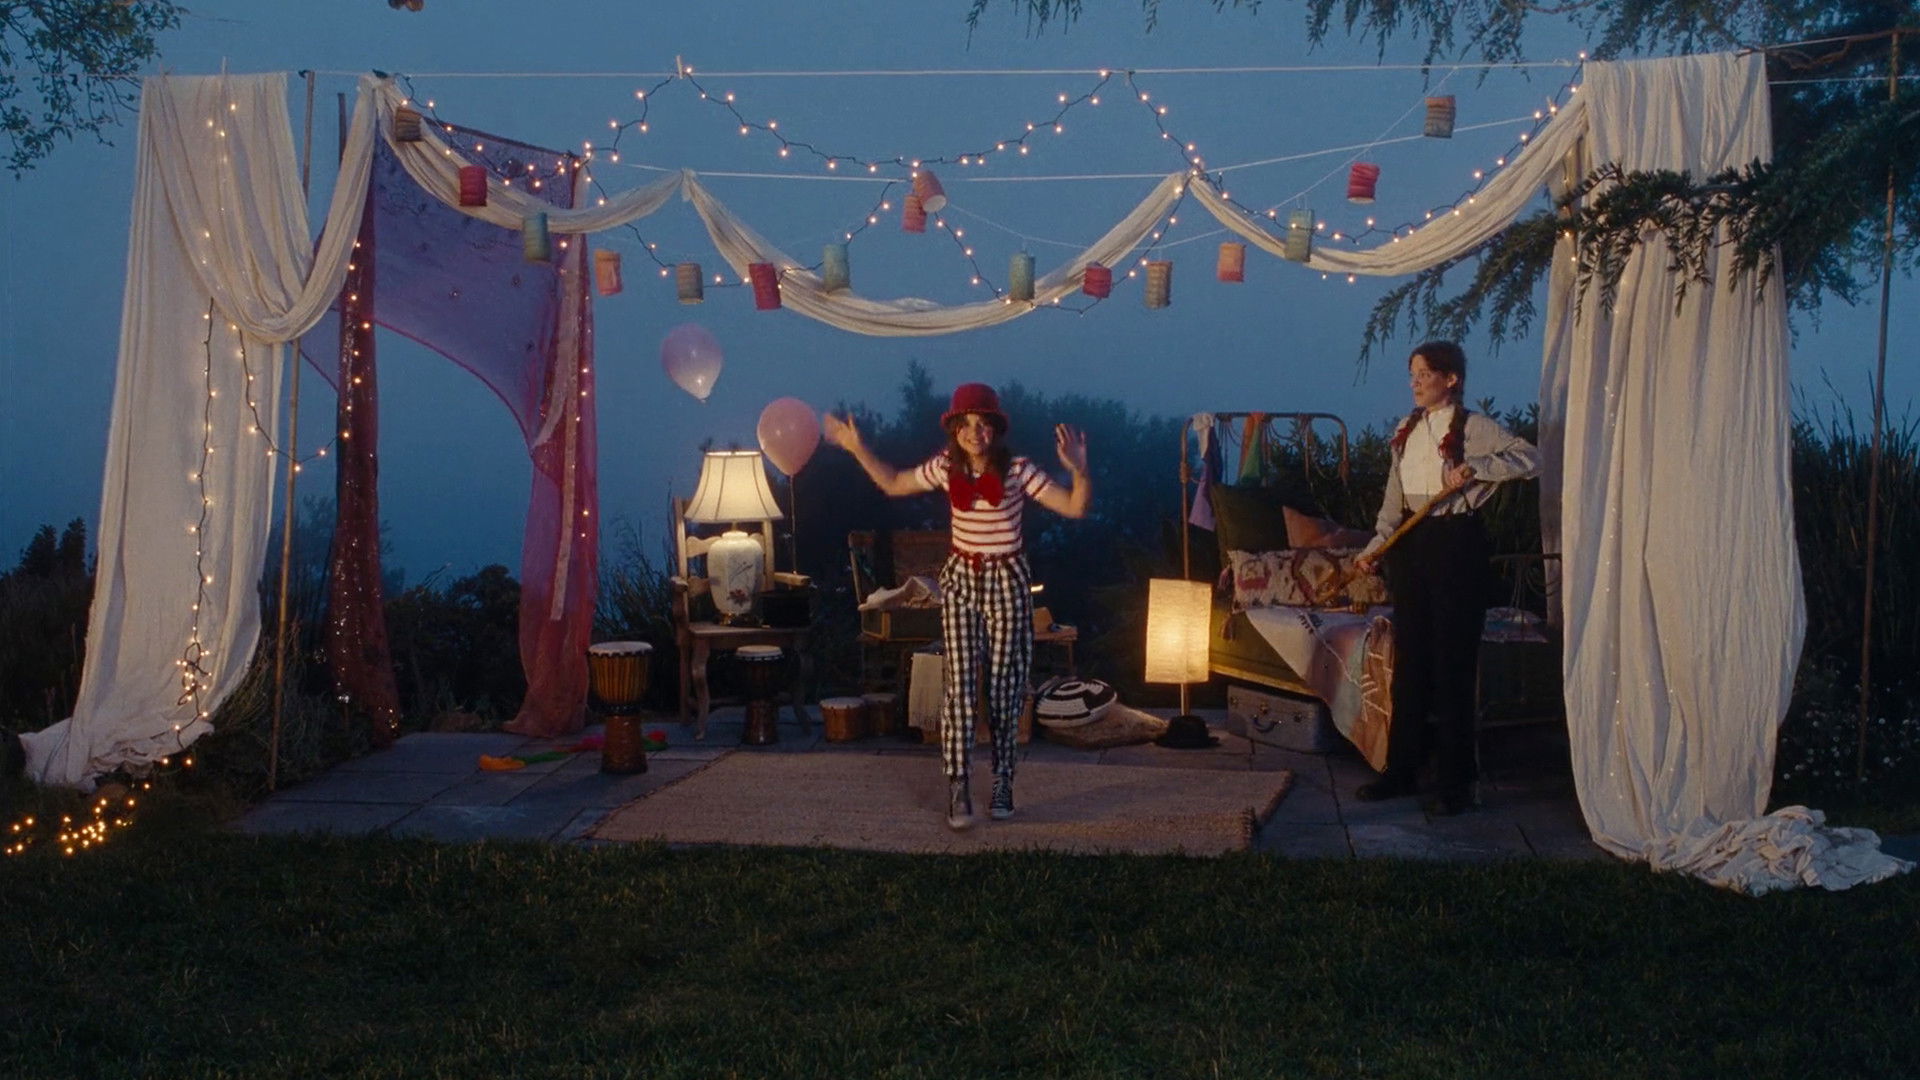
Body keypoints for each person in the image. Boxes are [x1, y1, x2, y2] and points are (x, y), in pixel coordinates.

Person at [824, 383, 1091, 830]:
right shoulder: (946, 468)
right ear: (954, 429)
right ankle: (959, 784)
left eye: (983, 424)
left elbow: (1074, 506)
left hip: (1007, 581)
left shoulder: (1018, 470)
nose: (974, 432)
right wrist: (857, 447)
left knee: (1005, 689)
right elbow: (893, 482)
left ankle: (1003, 781)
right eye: (965, 424)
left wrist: (1079, 470)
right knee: (961, 687)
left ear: (995, 429)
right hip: (962, 581)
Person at [1351, 341, 1539, 815]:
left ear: (1451, 379)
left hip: (1456, 545)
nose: (1414, 382)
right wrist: (1377, 547)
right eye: (1412, 374)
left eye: (1424, 374)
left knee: (1452, 663)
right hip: (1412, 547)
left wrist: (1477, 468)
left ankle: (1456, 783)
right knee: (1411, 661)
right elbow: (1394, 502)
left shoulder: (1474, 427)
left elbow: (1530, 457)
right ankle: (1402, 771)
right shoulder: (1407, 429)